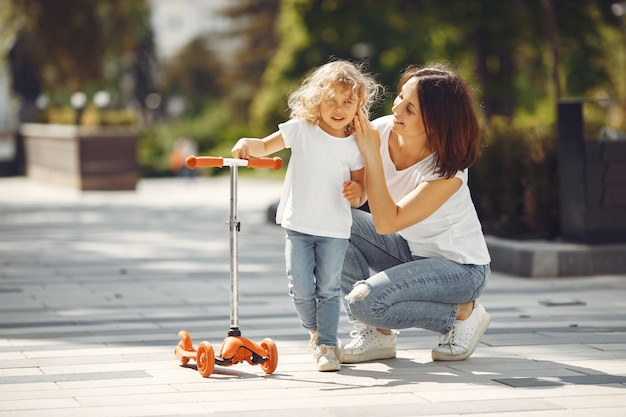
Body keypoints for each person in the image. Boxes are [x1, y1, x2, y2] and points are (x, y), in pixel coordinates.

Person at [231, 60, 383, 371]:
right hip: (299, 224)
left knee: (328, 288)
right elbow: (263, 146)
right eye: (331, 100)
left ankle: (327, 345)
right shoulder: (302, 129)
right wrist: (247, 144)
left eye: (347, 101)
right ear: (317, 100)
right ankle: (316, 332)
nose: (338, 108)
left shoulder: (356, 143)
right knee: (300, 287)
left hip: (335, 229)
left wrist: (358, 193)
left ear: (359, 105)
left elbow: (362, 188)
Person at [340, 63, 492, 364]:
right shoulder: (383, 130)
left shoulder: (448, 172)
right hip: (409, 251)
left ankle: (464, 312)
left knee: (365, 301)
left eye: (409, 109)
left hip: (461, 270)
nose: (396, 109)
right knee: (335, 223)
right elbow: (362, 192)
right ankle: (375, 335)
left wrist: (370, 154)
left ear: (434, 124)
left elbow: (386, 222)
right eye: (399, 97)